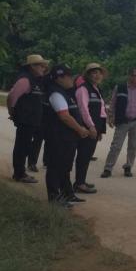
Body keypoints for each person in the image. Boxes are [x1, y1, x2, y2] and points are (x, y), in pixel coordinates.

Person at [45, 64, 92, 207]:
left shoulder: (66, 92)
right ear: (59, 78)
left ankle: (67, 193)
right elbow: (64, 116)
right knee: (55, 167)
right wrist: (80, 129)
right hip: (58, 137)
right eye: (69, 76)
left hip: (68, 138)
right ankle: (54, 197)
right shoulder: (56, 93)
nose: (72, 79)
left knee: (65, 167)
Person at [101, 67, 136, 178]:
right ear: (131, 77)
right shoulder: (120, 88)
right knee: (116, 146)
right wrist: (110, 117)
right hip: (122, 121)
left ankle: (128, 167)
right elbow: (113, 103)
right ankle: (108, 168)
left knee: (133, 146)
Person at [7, 54, 48, 183]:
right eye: (41, 65)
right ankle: (19, 174)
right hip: (25, 119)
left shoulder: (37, 80)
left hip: (32, 119)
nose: (44, 68)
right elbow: (12, 96)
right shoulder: (25, 80)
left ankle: (21, 172)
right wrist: (12, 112)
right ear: (32, 66)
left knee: (25, 145)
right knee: (21, 146)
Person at [74, 63, 108, 194]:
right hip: (86, 128)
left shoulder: (96, 89)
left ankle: (81, 180)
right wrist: (91, 126)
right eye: (94, 72)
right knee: (83, 155)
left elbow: (101, 111)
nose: (97, 75)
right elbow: (83, 109)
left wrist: (100, 130)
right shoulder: (83, 89)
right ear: (87, 75)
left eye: (99, 72)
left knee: (87, 155)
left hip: (95, 128)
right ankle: (79, 183)